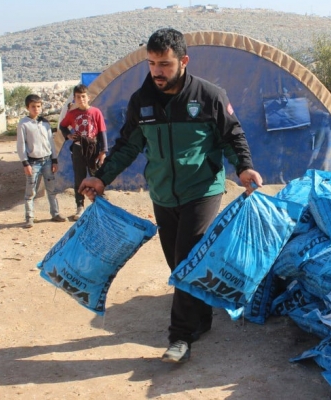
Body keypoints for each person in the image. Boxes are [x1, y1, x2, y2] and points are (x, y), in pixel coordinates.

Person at [79, 28, 263, 363]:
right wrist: (102, 178)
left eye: (164, 64)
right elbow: (126, 147)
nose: (157, 71)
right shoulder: (142, 101)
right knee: (180, 262)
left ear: (183, 61)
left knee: (184, 261)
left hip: (202, 189)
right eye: (151, 63)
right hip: (163, 194)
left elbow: (231, 136)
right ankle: (202, 320)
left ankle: (179, 338)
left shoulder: (209, 96)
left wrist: (244, 168)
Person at [16, 94, 66, 228]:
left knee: (51, 189)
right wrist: (25, 162)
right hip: (33, 162)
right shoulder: (24, 124)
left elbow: (50, 142)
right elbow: (21, 145)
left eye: (38, 106)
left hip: (47, 160)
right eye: (33, 107)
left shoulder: (45, 123)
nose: (36, 109)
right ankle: (29, 217)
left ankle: (55, 213)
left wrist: (54, 160)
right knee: (31, 191)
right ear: (28, 107)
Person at [59, 84, 108, 220]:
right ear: (74, 99)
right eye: (78, 97)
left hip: (93, 148)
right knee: (79, 178)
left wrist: (103, 151)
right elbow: (62, 126)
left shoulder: (95, 112)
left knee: (96, 176)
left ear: (88, 97)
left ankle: (100, 205)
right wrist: (68, 135)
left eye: (83, 96)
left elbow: (102, 131)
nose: (81, 99)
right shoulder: (72, 114)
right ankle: (79, 207)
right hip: (78, 148)